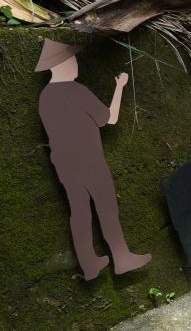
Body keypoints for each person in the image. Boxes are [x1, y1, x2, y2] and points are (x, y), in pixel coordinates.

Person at [35, 38, 151, 280]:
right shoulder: (77, 91)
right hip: (89, 161)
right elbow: (109, 118)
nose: (76, 63)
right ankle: (121, 258)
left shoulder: (44, 97)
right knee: (106, 207)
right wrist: (120, 87)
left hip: (64, 165)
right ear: (62, 64)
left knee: (79, 212)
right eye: (73, 59)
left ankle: (88, 265)